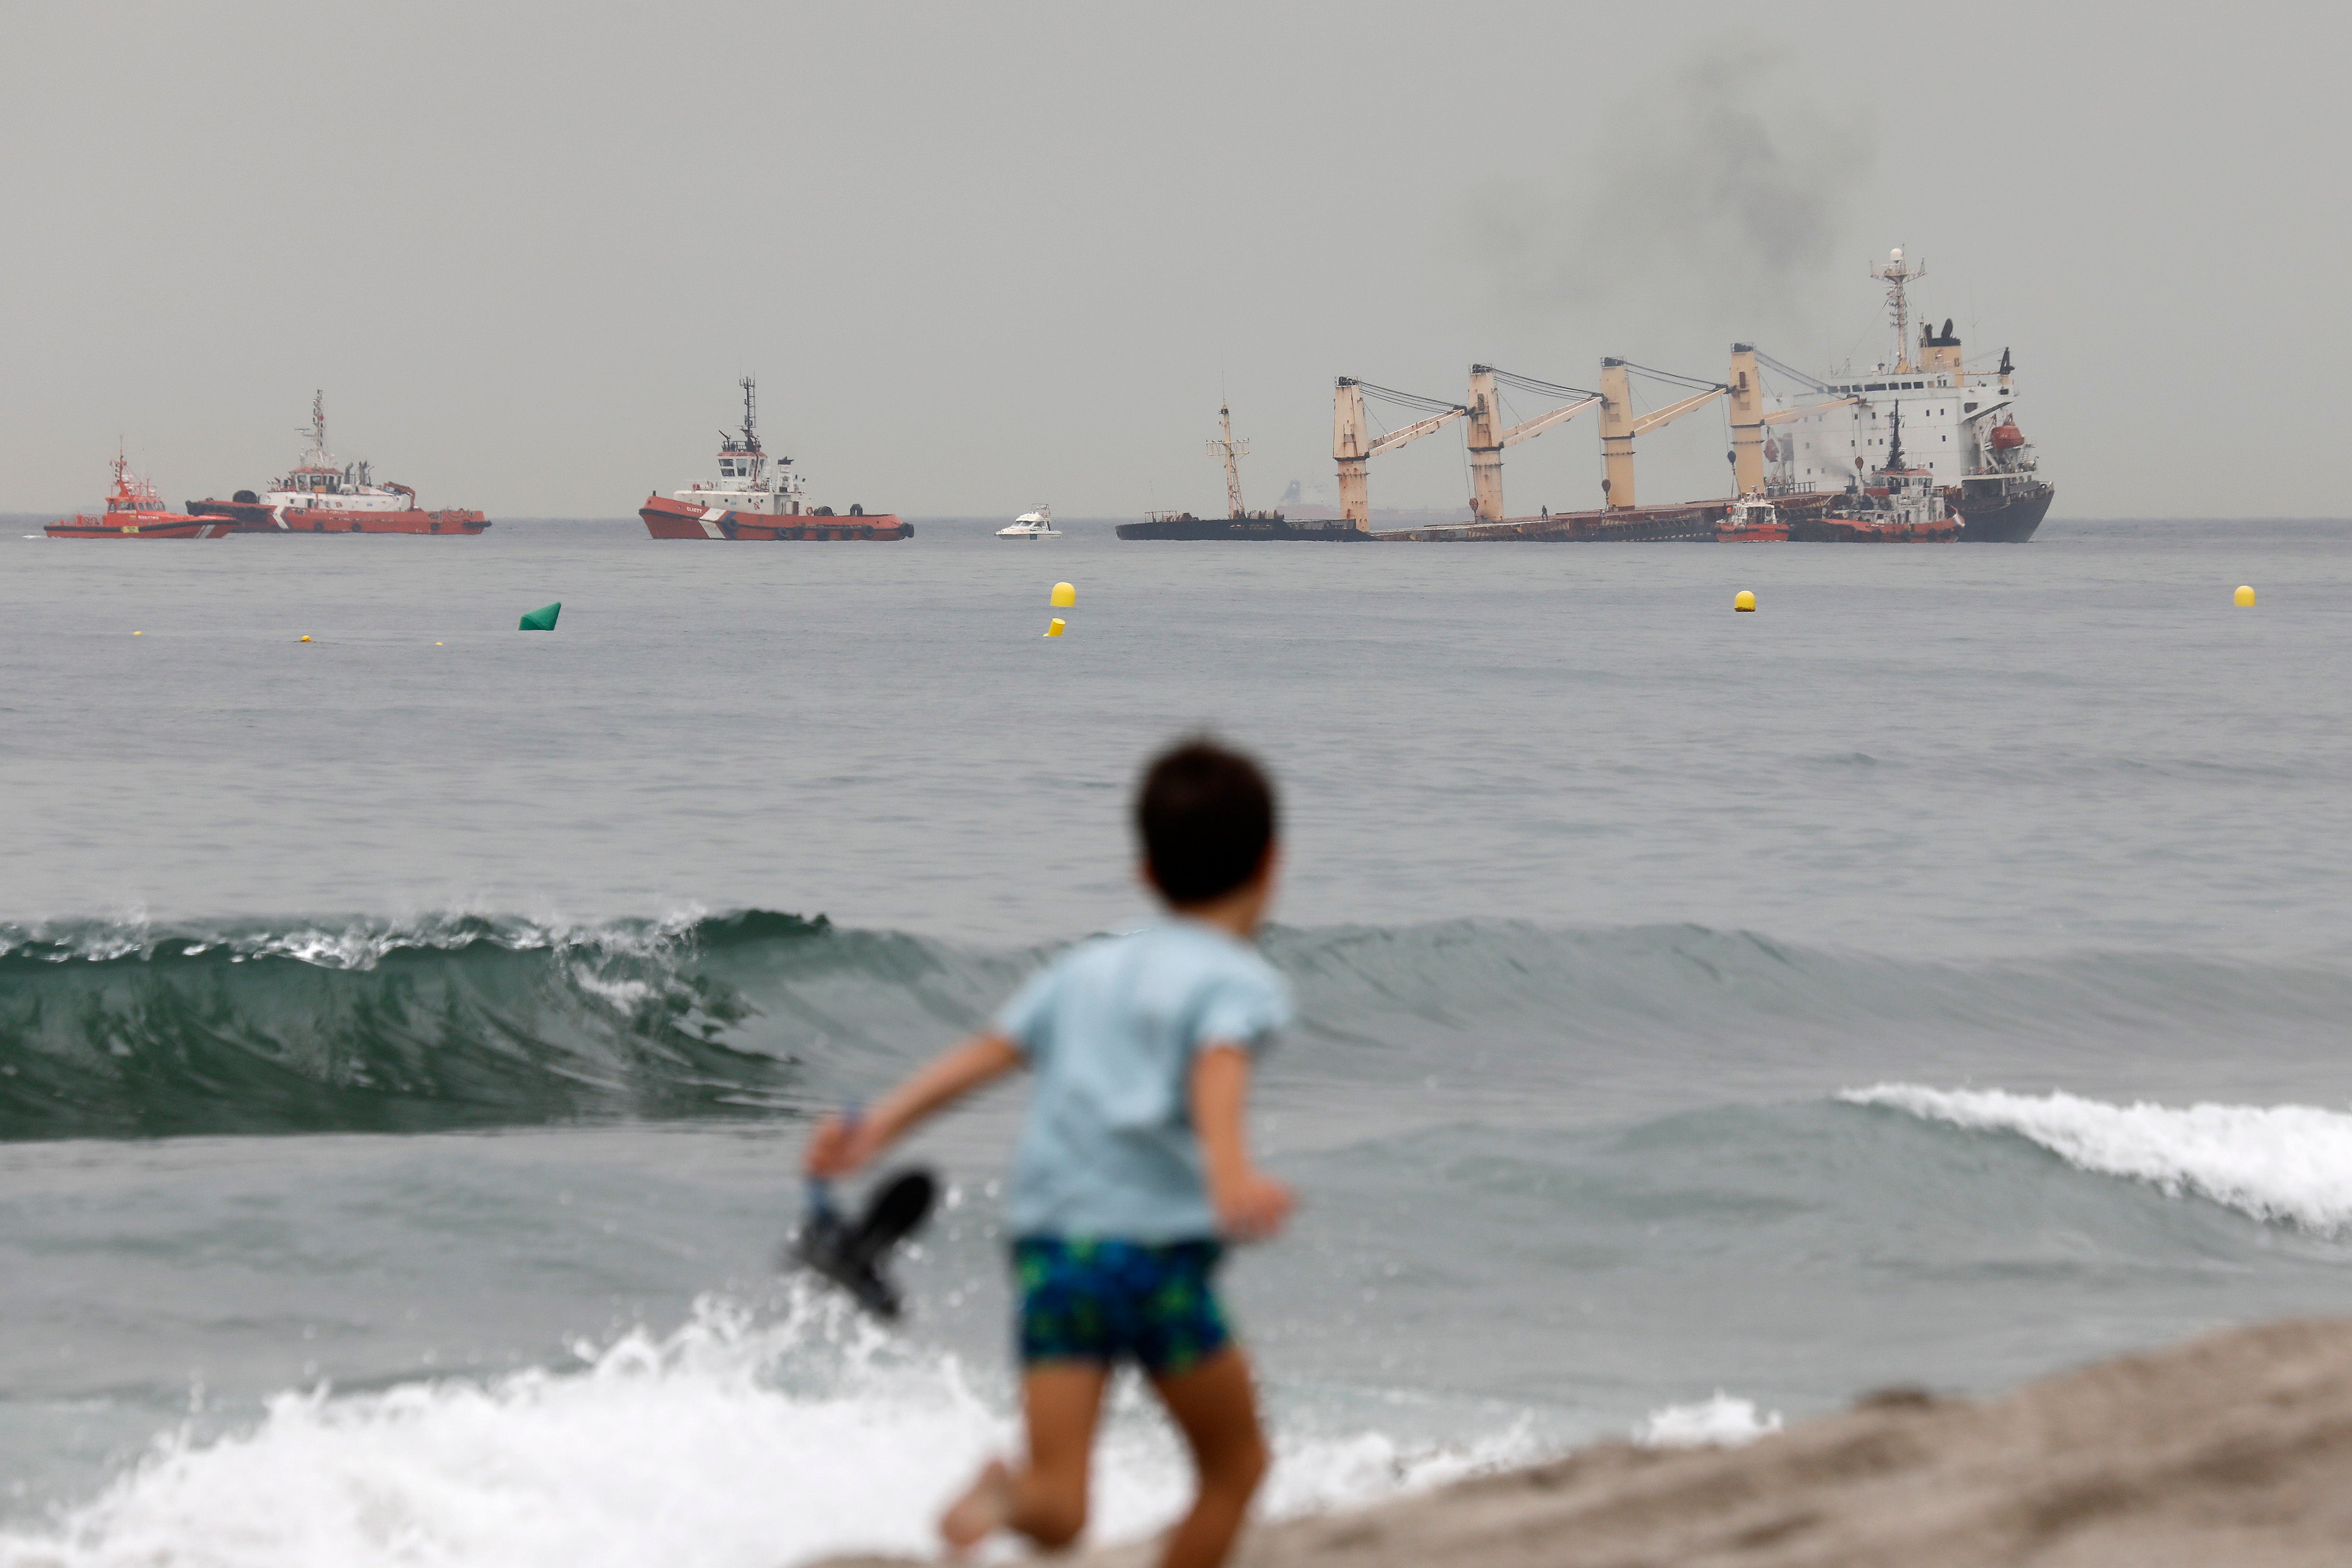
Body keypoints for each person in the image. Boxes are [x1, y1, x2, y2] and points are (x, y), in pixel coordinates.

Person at [803, 738, 1295, 1568]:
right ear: (1270, 864)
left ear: (1143, 870)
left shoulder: (1083, 971)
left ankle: (1007, 1492)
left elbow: (984, 1055)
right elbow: (1216, 1065)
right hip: (1154, 1258)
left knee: (1060, 1506)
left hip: (1054, 1251)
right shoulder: (1237, 980)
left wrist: (876, 1127)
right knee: (1234, 1468)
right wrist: (1229, 1170)